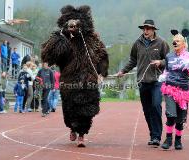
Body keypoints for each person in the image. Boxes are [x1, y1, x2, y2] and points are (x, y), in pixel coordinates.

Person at [41, 5, 109, 147]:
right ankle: (72, 127)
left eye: (76, 22)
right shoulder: (62, 39)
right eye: (70, 22)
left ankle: (82, 135)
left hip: (88, 79)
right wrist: (60, 37)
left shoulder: (93, 39)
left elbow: (102, 56)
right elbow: (48, 56)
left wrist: (102, 72)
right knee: (69, 107)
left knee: (86, 109)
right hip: (69, 81)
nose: (73, 25)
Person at [117, 19, 170, 146]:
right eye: (144, 29)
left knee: (156, 107)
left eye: (148, 28)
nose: (145, 31)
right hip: (142, 81)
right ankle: (153, 135)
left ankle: (157, 136)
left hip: (157, 81)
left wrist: (161, 62)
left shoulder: (161, 43)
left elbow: (169, 59)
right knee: (147, 110)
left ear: (153, 30)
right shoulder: (137, 43)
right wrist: (123, 71)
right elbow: (133, 60)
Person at [159, 30, 189, 150]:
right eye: (174, 40)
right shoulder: (169, 56)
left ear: (183, 43)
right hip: (170, 88)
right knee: (171, 115)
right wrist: (164, 75)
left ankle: (178, 140)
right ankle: (168, 138)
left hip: (183, 91)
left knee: (181, 118)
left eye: (177, 40)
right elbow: (167, 70)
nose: (174, 42)